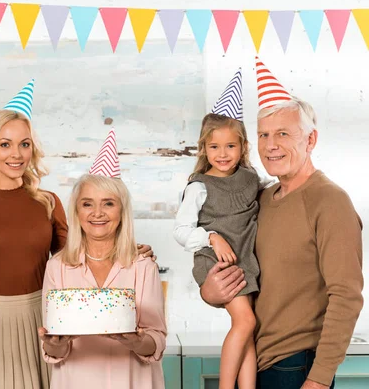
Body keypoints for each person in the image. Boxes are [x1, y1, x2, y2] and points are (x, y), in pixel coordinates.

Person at [0, 81, 154, 389]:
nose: (17, 154)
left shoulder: (47, 202)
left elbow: (79, 256)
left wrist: (128, 249)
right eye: (5, 144)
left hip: (47, 321)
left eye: (24, 144)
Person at [200, 58, 363, 389]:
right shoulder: (258, 198)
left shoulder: (329, 201)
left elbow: (346, 295)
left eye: (283, 134)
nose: (271, 145)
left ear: (311, 140)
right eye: (263, 135)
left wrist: (318, 380)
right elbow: (240, 273)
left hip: (296, 366)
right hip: (255, 363)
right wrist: (210, 292)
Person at [37, 129, 166, 389]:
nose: (97, 213)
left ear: (121, 210)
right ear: (77, 211)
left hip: (133, 380)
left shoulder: (143, 266)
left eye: (108, 203)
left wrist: (135, 341)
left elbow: (157, 339)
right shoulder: (58, 267)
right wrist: (53, 343)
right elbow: (54, 350)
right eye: (87, 204)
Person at [173, 70, 270, 389]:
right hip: (217, 261)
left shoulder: (249, 177)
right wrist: (211, 237)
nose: (223, 154)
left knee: (247, 329)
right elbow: (182, 230)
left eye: (231, 146)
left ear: (242, 146)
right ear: (204, 148)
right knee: (246, 320)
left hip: (244, 260)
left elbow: (264, 196)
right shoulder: (199, 186)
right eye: (215, 147)